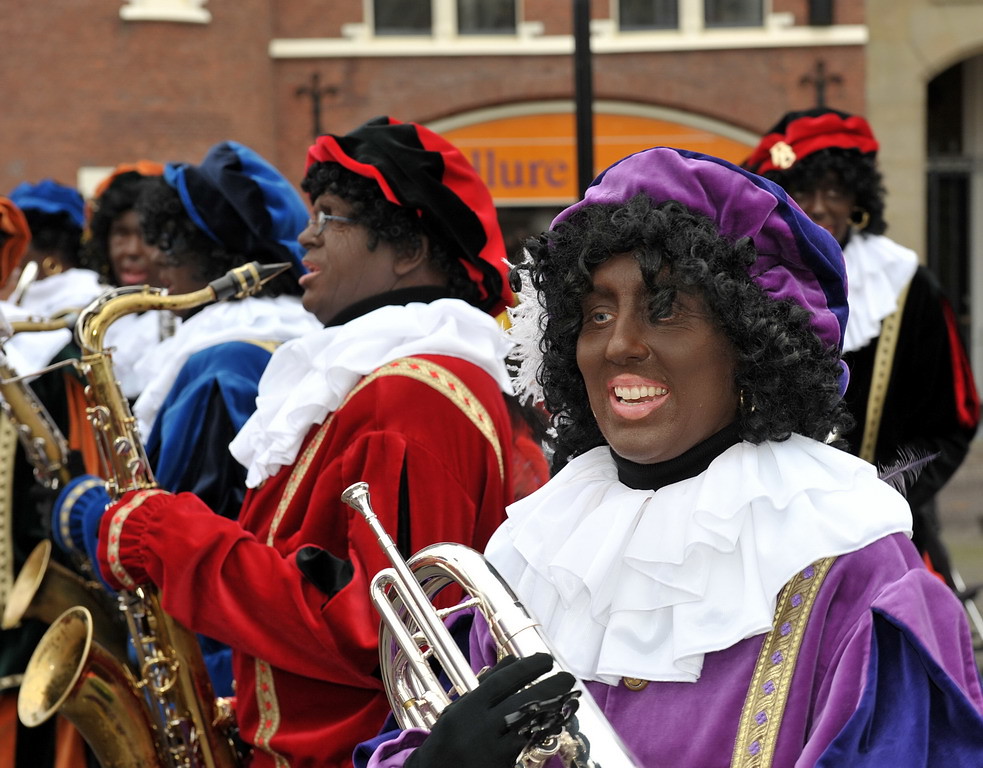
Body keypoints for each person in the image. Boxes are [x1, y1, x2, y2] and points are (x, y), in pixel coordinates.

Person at [362, 147, 983, 768]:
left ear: (751, 343)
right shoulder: (536, 549)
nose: (620, 345)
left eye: (666, 310)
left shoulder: (856, 571)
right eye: (597, 314)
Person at [71, 116, 525, 767]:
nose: (305, 235)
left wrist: (164, 539)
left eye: (332, 216)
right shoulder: (380, 381)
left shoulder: (412, 396)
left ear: (406, 249)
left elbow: (377, 636)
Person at [742, 108, 981, 585]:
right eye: (802, 192)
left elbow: (953, 422)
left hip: (884, 541)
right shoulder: (744, 286)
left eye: (834, 190)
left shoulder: (905, 287)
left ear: (857, 198)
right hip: (758, 543)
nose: (818, 207)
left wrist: (885, 494)